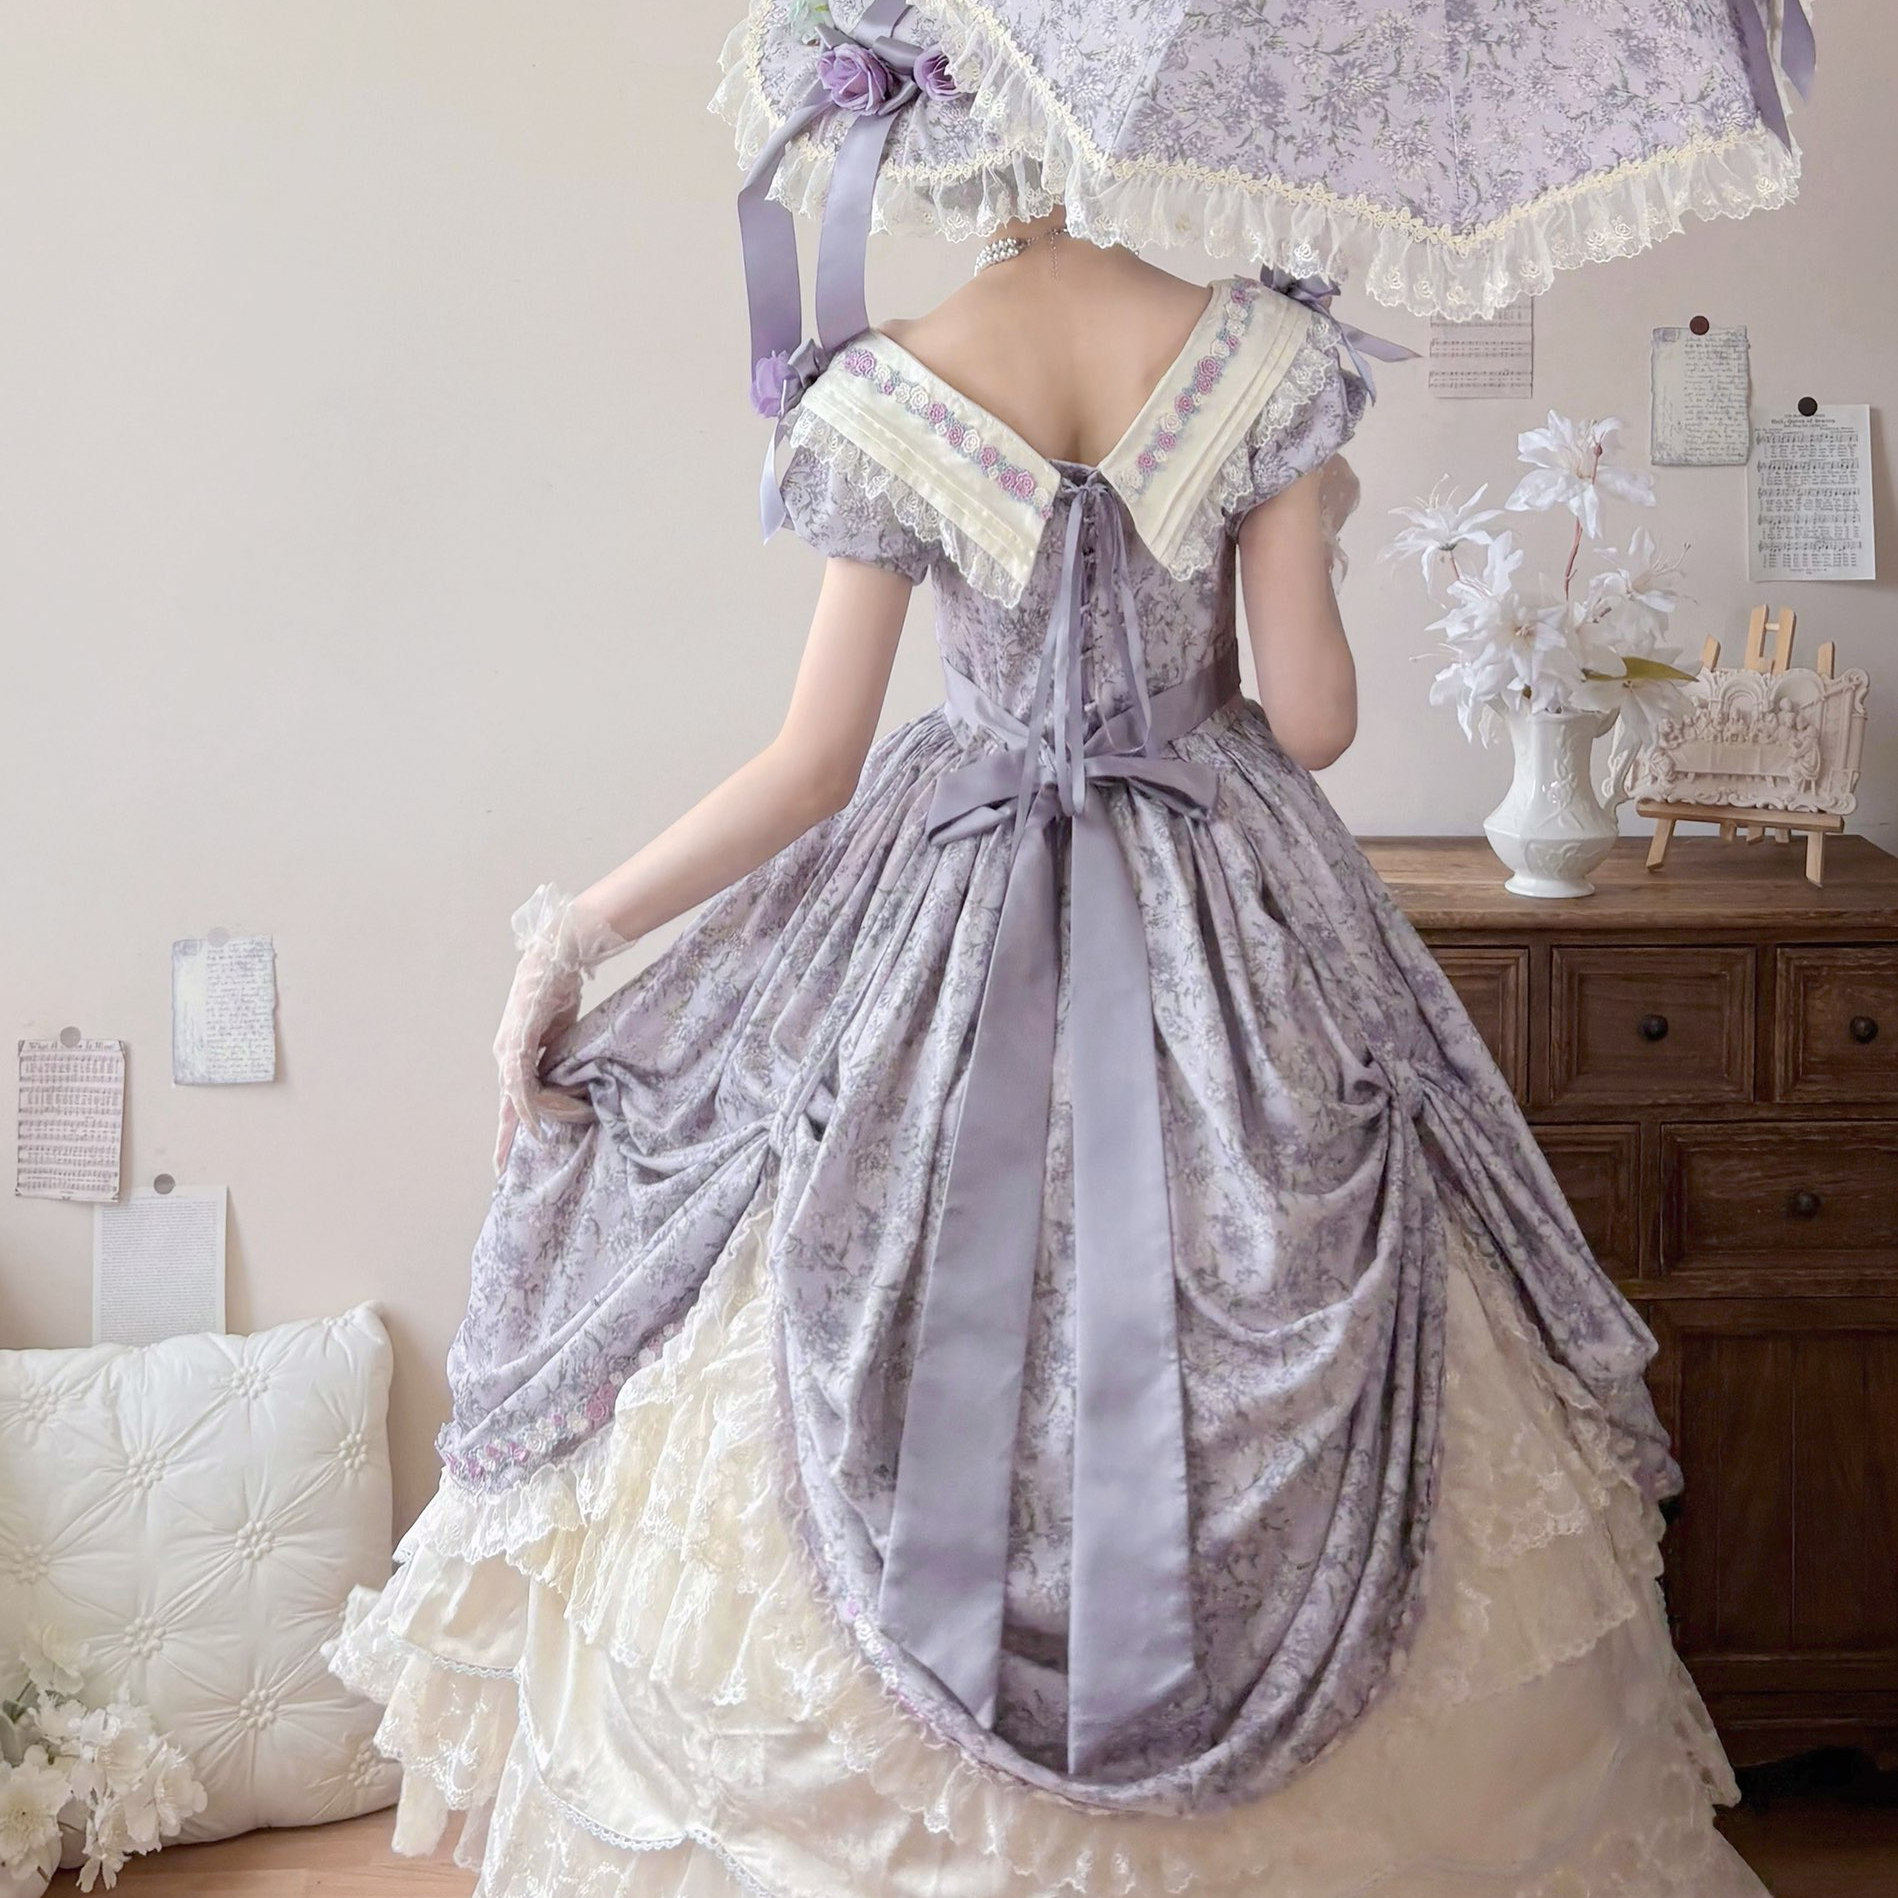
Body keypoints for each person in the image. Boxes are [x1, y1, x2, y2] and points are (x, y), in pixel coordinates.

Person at [330, 216, 1769, 1895]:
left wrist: (578, 933)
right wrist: (1304, 524)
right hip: (1222, 907)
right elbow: (1310, 723)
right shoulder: (1260, 361)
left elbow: (810, 764)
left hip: (949, 906)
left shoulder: (891, 391)